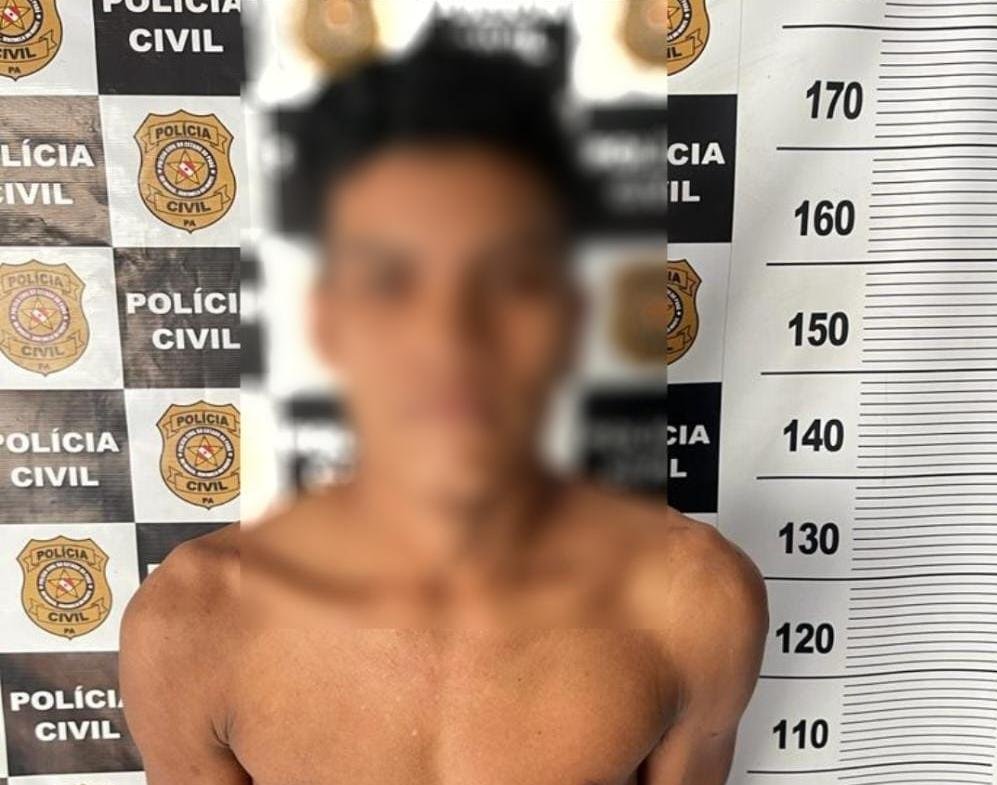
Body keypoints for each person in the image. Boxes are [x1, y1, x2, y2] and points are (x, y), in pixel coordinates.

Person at [118, 42, 768, 785]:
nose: (450, 338)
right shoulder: (189, 624)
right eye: (391, 279)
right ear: (326, 318)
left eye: (508, 275)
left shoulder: (696, 603)